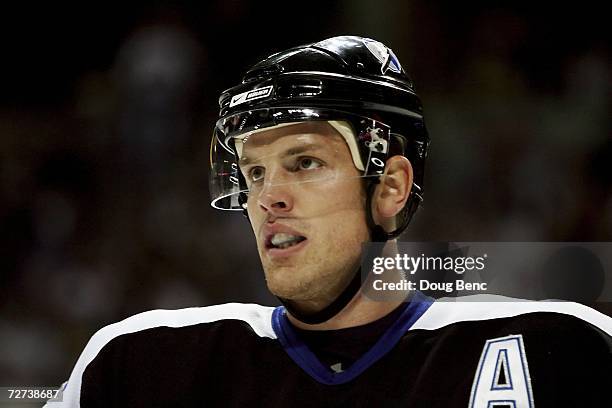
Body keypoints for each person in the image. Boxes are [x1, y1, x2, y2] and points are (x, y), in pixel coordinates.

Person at [47, 36, 611, 408]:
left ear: (391, 187)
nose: (269, 197)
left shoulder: (562, 349)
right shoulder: (136, 365)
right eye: (255, 172)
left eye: (305, 163)